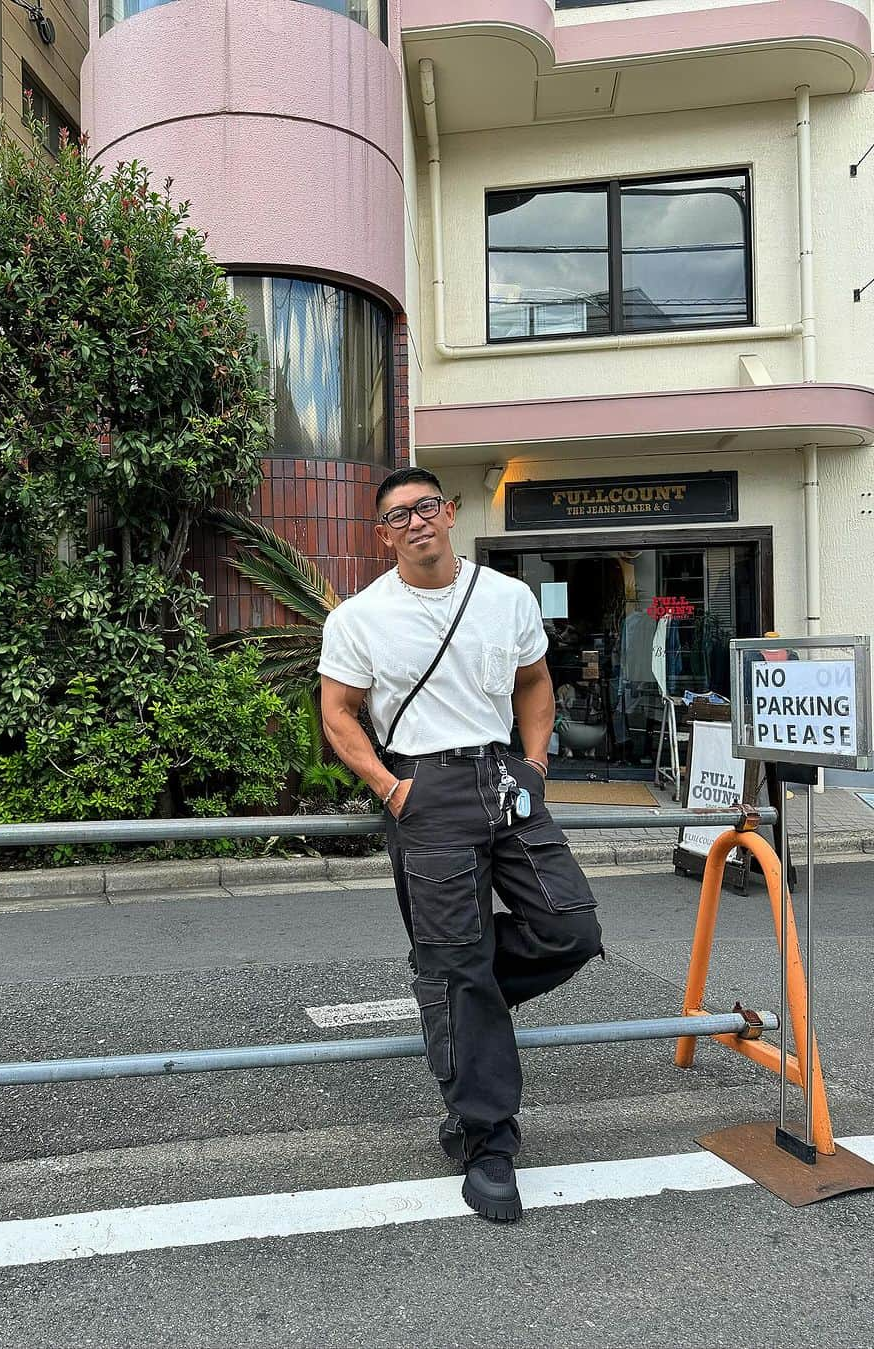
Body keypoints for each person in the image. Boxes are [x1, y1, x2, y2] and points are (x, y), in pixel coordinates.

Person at [318, 467, 604, 1223]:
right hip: (424, 787)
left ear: (449, 513)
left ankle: (455, 996)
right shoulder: (360, 617)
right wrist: (390, 786)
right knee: (455, 962)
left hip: (504, 776)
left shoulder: (506, 596)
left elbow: (535, 682)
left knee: (570, 927)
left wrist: (536, 762)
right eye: (396, 515)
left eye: (425, 507)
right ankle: (487, 1140)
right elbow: (339, 713)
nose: (415, 522)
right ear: (383, 534)